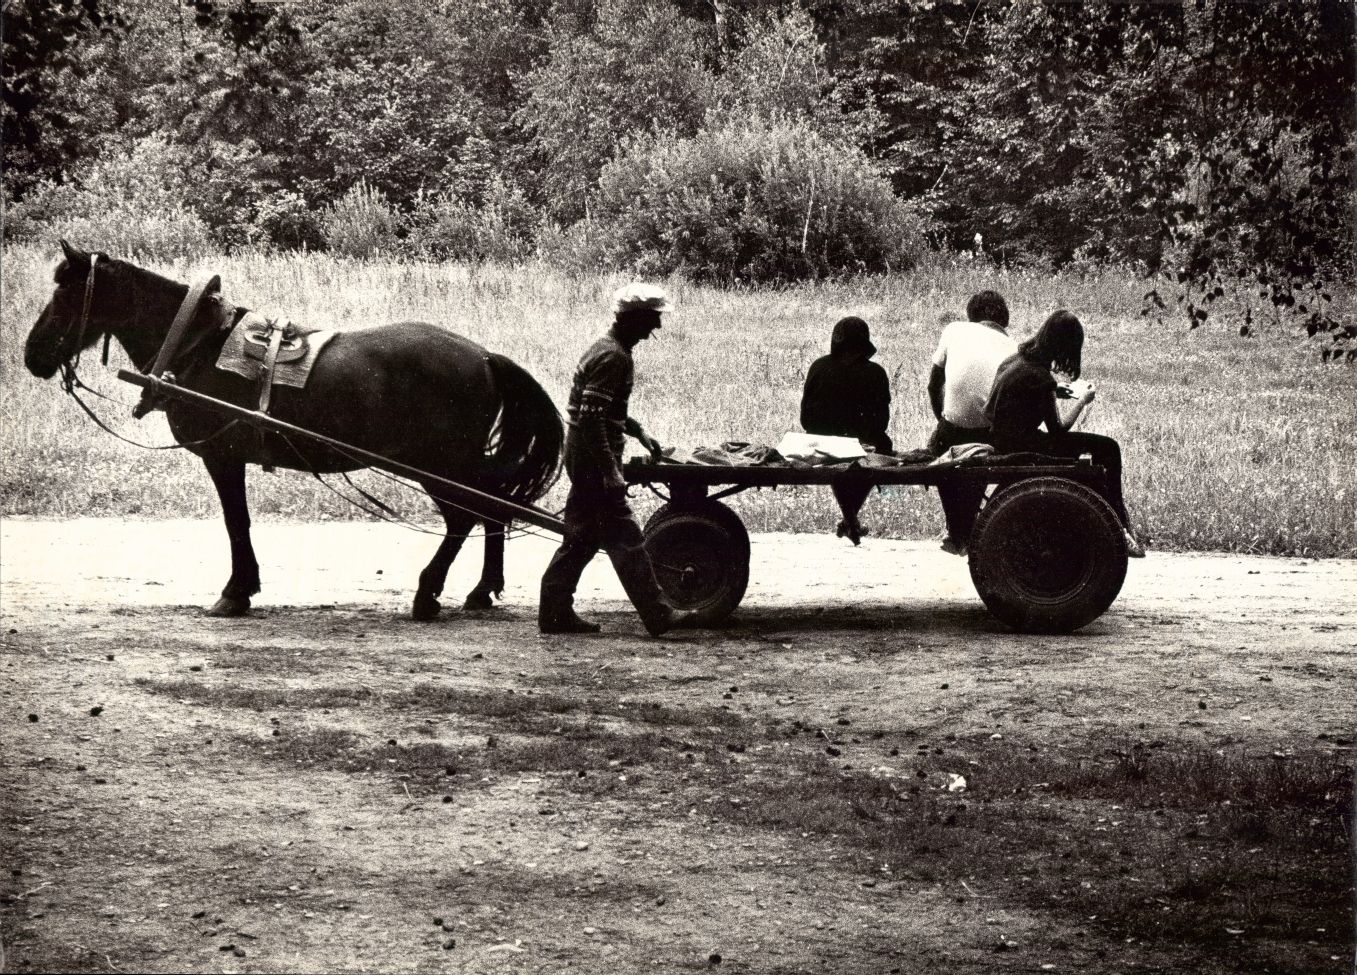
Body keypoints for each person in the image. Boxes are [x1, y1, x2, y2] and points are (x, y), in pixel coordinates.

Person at [539, 283, 698, 635]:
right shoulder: (614, 357)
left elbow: (602, 409)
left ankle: (554, 611)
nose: (657, 326)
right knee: (625, 536)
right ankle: (658, 614)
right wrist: (610, 471)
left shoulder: (608, 348)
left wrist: (638, 431)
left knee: (581, 537)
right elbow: (592, 419)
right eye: (653, 318)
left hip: (585, 453)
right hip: (593, 457)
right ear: (633, 318)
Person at [985, 310, 1146, 557]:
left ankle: (1115, 521)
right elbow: (1058, 431)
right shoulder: (1041, 376)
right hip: (1024, 447)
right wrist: (1082, 401)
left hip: (1002, 440)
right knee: (1108, 448)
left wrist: (1052, 392)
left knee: (1098, 449)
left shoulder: (1014, 360)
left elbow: (994, 408)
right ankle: (1119, 523)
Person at [926, 291, 1016, 555]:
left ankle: (957, 529)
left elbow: (933, 384)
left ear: (972, 314)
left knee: (942, 448)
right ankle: (964, 529)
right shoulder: (1013, 348)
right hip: (988, 434)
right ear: (1003, 318)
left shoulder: (954, 330)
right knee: (977, 456)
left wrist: (943, 418)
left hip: (952, 431)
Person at [800, 316, 893, 545]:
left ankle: (850, 521)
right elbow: (882, 422)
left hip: (821, 443)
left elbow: (806, 418)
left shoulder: (819, 367)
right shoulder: (875, 373)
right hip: (861, 445)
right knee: (878, 450)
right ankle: (850, 520)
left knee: (838, 455)